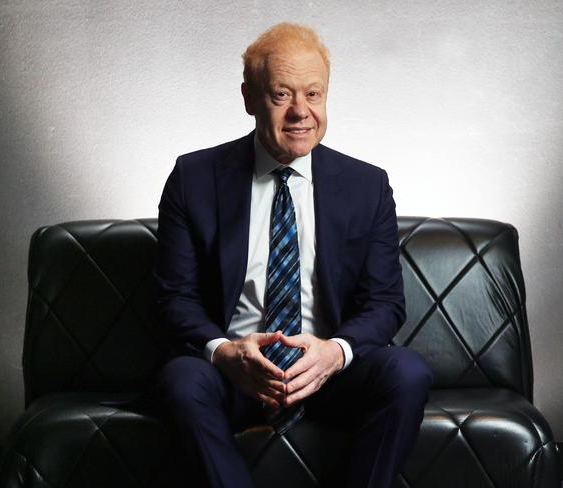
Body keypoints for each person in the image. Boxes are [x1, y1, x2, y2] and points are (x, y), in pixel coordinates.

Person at [154, 22, 432, 488]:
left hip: (328, 375)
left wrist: (334, 353)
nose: (301, 112)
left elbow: (385, 303)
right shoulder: (194, 177)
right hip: (237, 374)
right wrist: (224, 353)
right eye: (282, 95)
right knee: (181, 380)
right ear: (249, 98)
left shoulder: (368, 185)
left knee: (407, 372)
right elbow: (174, 297)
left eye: (314, 94)